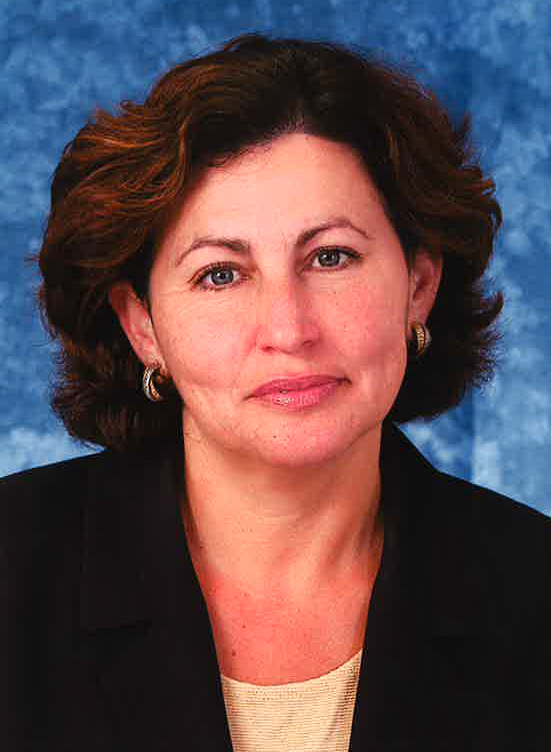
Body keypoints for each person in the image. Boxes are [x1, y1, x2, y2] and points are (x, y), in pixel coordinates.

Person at [2, 32, 550, 752]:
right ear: (143, 327)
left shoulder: (534, 592)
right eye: (220, 274)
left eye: (331, 257)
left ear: (418, 286)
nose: (289, 329)